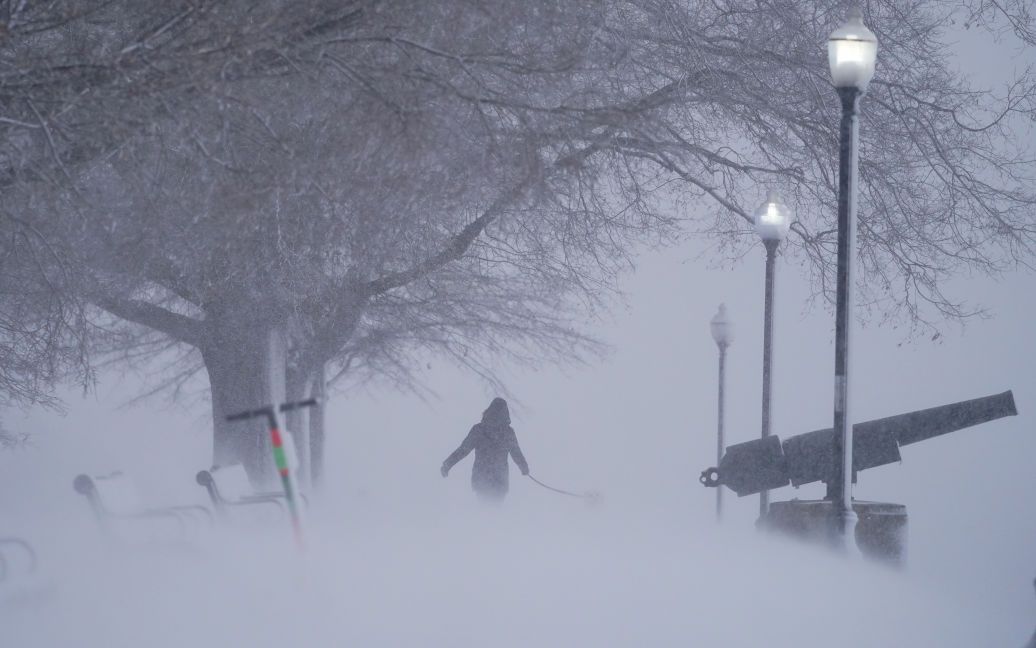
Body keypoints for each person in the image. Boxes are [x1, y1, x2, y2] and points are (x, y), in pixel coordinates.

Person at [441, 397, 529, 501]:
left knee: (483, 506)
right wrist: (524, 467)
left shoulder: (479, 430)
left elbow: (463, 450)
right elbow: (516, 452)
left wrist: (448, 464)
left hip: (481, 477)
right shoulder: (508, 432)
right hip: (500, 479)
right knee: (496, 508)